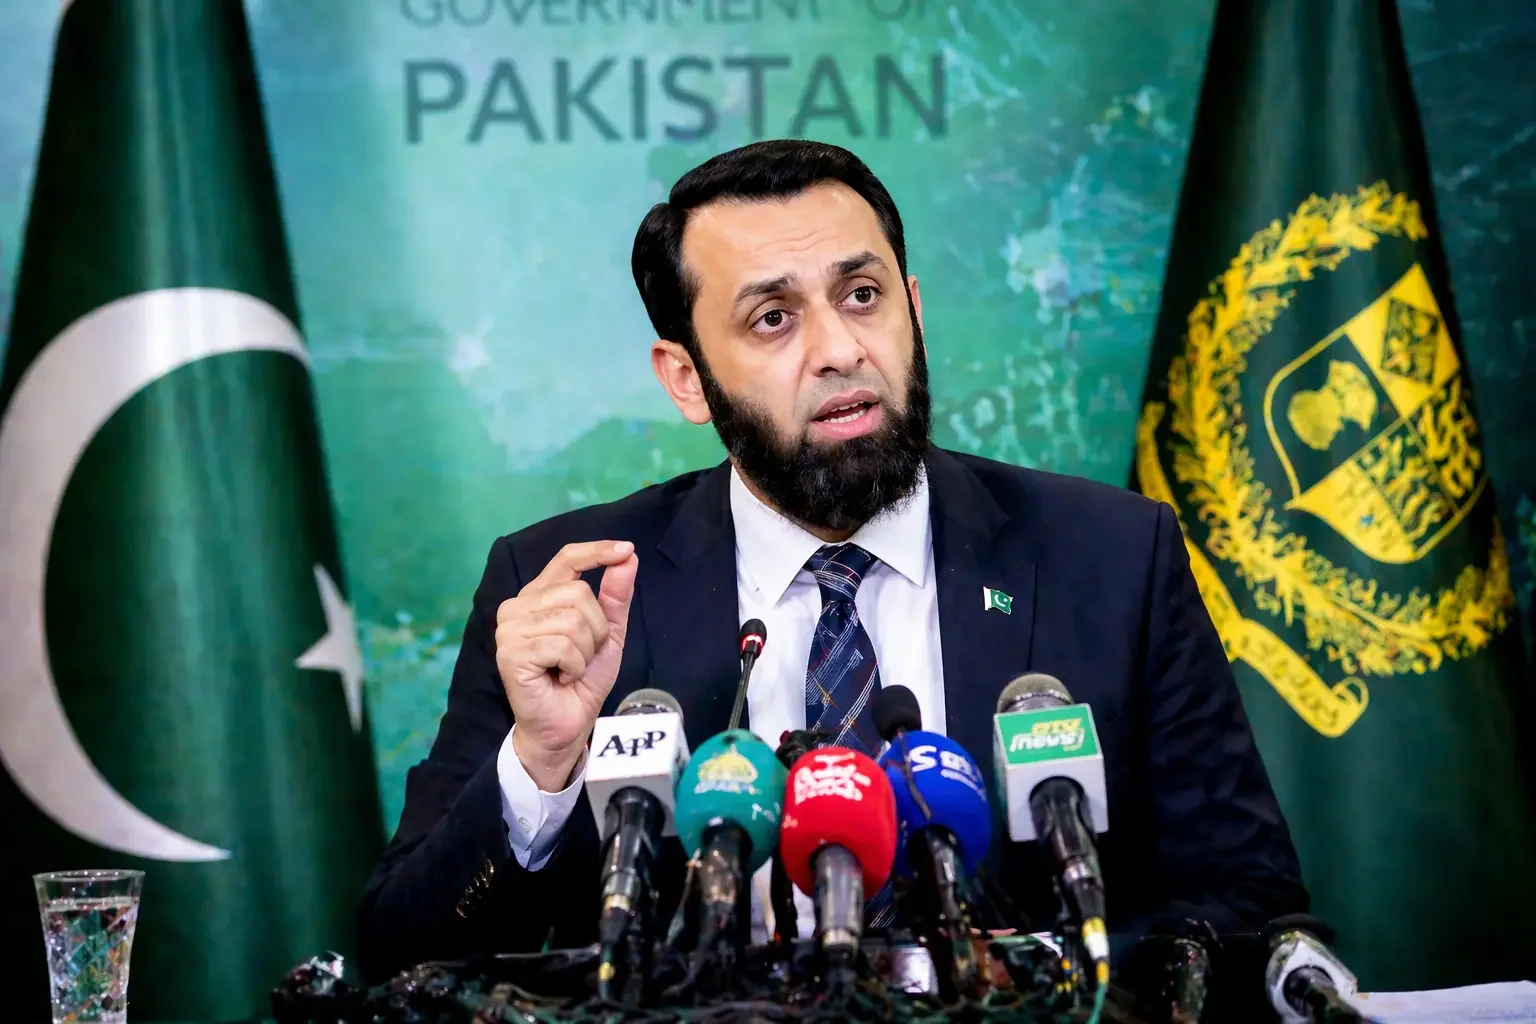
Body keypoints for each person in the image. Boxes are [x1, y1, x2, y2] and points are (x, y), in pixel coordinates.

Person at [356, 140, 1308, 981]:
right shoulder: (570, 588)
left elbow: (1250, 907)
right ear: (688, 379)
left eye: (863, 296)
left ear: (914, 310)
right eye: (773, 318)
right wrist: (542, 764)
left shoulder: (1111, 557)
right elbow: (400, 955)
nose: (840, 348)